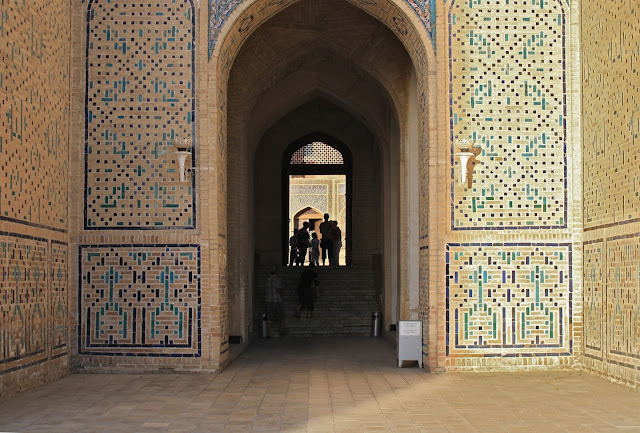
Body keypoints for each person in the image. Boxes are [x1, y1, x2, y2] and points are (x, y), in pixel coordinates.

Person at [265, 266, 286, 337]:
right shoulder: (277, 279)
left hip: (269, 300)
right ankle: (282, 330)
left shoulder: (267, 280)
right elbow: (279, 289)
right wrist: (282, 291)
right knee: (282, 315)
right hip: (277, 300)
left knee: (269, 317)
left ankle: (268, 333)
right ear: (276, 272)